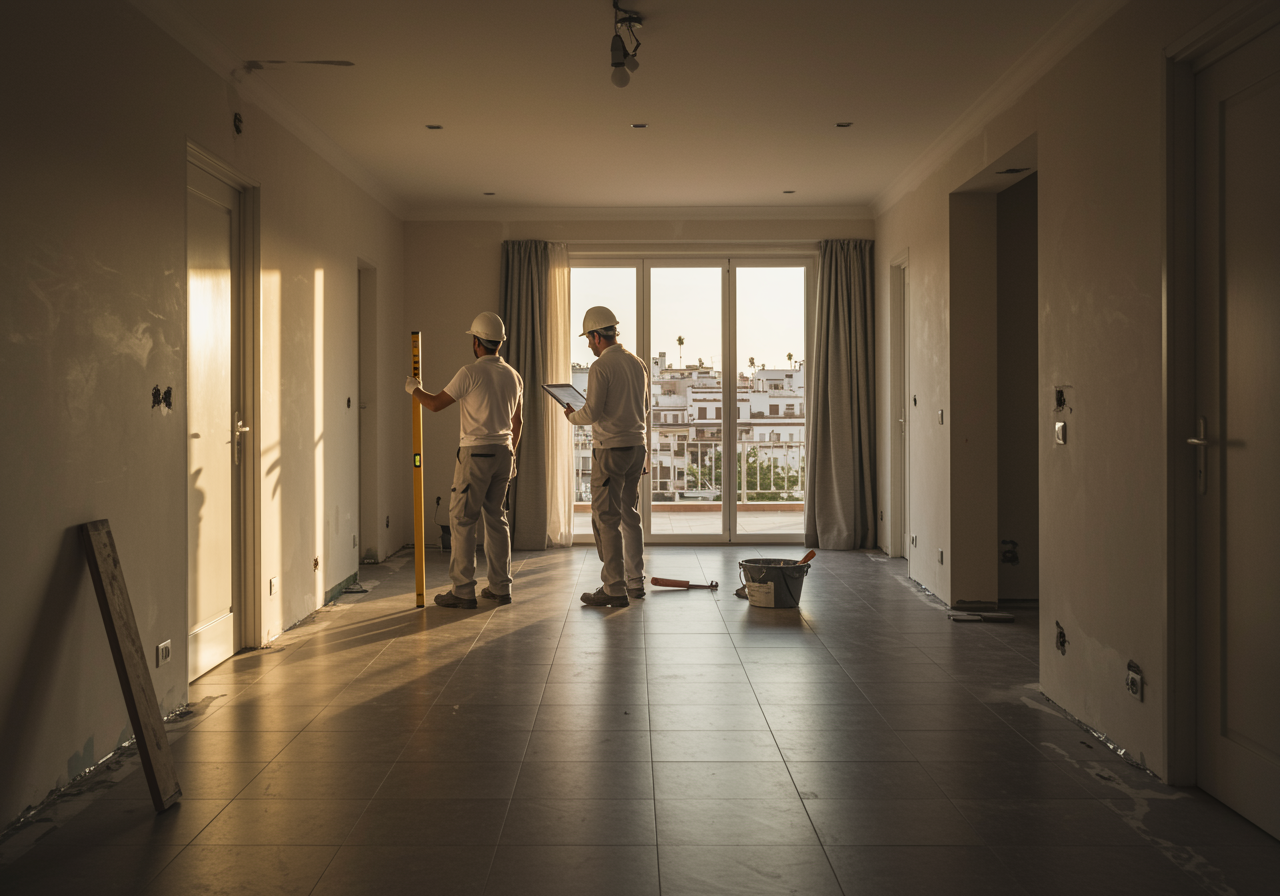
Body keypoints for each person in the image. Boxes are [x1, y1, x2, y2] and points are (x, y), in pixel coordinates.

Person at [406, 311, 523, 609]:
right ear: (498, 342)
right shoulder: (513, 375)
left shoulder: (470, 373)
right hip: (504, 452)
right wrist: (511, 456)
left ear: (476, 343)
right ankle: (500, 588)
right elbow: (517, 421)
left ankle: (462, 591)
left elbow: (433, 405)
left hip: (476, 454)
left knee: (461, 520)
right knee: (497, 520)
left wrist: (413, 389)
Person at [563, 306, 649, 607]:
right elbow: (645, 408)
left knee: (606, 519)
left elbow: (593, 412)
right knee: (629, 514)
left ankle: (613, 587)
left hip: (610, 450)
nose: (588, 344)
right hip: (637, 448)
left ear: (598, 336)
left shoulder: (601, 367)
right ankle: (635, 581)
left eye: (589, 338)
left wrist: (572, 415)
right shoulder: (638, 364)